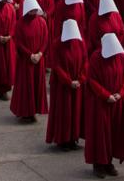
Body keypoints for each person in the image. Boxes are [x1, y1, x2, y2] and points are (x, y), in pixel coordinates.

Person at [85, 33, 124, 178]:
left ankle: (109, 162)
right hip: (101, 103)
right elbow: (92, 80)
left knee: (114, 133)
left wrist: (121, 92)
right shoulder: (95, 58)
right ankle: (98, 163)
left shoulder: (121, 57)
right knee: (101, 134)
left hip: (117, 101)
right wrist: (106, 95)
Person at [47, 18, 87, 151]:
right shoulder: (57, 44)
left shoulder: (80, 43)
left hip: (76, 84)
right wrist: (69, 81)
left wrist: (80, 79)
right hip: (62, 86)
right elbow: (56, 66)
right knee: (64, 112)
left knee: (75, 111)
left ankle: (73, 138)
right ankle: (63, 139)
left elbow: (85, 63)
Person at [10, 0, 49, 122]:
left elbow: (45, 39)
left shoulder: (42, 22)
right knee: (26, 85)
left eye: (34, 10)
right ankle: (25, 111)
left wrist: (40, 53)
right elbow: (19, 42)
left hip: (38, 59)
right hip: (26, 60)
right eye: (31, 10)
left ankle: (34, 110)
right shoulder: (20, 23)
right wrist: (29, 55)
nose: (33, 12)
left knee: (36, 85)